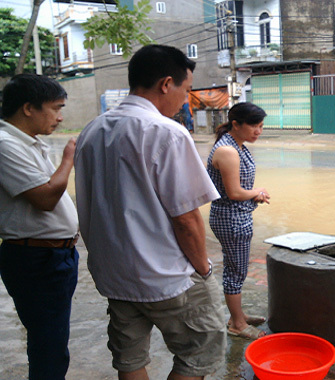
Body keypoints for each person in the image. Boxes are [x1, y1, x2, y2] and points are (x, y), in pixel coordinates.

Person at [75, 45, 226, 380]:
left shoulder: (91, 131)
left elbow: (90, 206)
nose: (185, 100)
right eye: (186, 91)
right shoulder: (166, 133)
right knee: (199, 352)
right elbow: (186, 219)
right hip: (167, 277)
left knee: (130, 359)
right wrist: (203, 269)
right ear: (165, 84)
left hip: (114, 275)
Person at [0, 74, 79, 380]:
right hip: (36, 259)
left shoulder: (28, 143)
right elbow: (46, 197)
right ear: (29, 108)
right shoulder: (6, 145)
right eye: (55, 108)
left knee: (53, 340)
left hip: (54, 256)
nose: (60, 117)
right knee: (49, 345)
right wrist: (69, 158)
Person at [207, 102, 270, 340]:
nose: (258, 131)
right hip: (231, 217)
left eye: (262, 126)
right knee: (236, 272)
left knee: (238, 269)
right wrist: (256, 192)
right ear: (236, 124)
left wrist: (254, 194)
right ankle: (237, 325)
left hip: (237, 214)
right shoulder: (228, 151)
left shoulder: (238, 145)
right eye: (254, 125)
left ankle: (238, 316)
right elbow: (234, 192)